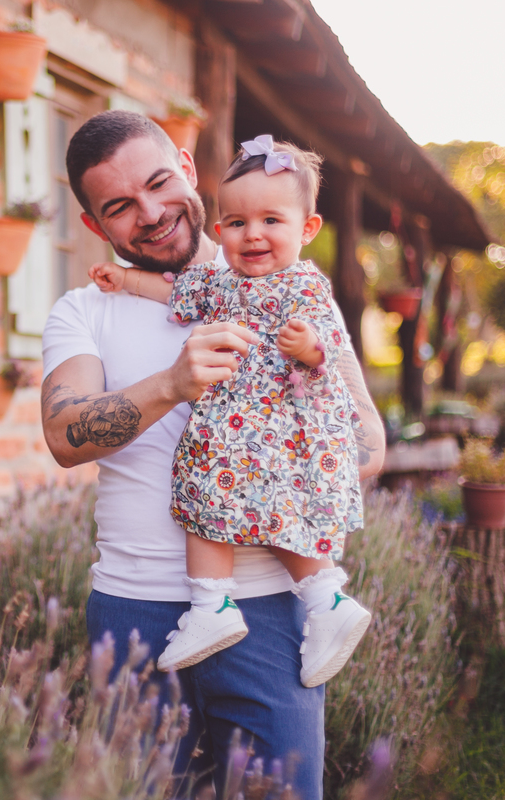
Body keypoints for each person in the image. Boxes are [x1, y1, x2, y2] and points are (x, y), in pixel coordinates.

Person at [40, 111, 385, 798]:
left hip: (266, 611)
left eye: (160, 183)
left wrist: (275, 445)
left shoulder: (295, 292)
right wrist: (171, 384)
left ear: (189, 169)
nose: (151, 213)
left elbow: (368, 441)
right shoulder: (83, 311)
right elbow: (64, 435)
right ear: (95, 227)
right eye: (120, 207)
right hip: (132, 610)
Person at [87, 136, 372, 688]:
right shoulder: (219, 283)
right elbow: (175, 295)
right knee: (207, 497)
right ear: (220, 234)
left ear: (307, 229)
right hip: (236, 431)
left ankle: (268, 603)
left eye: (272, 220)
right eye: (237, 223)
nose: (253, 234)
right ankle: (279, 603)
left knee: (234, 501)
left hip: (282, 431)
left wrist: (306, 347)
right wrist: (124, 280)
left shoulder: (306, 286)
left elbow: (327, 352)